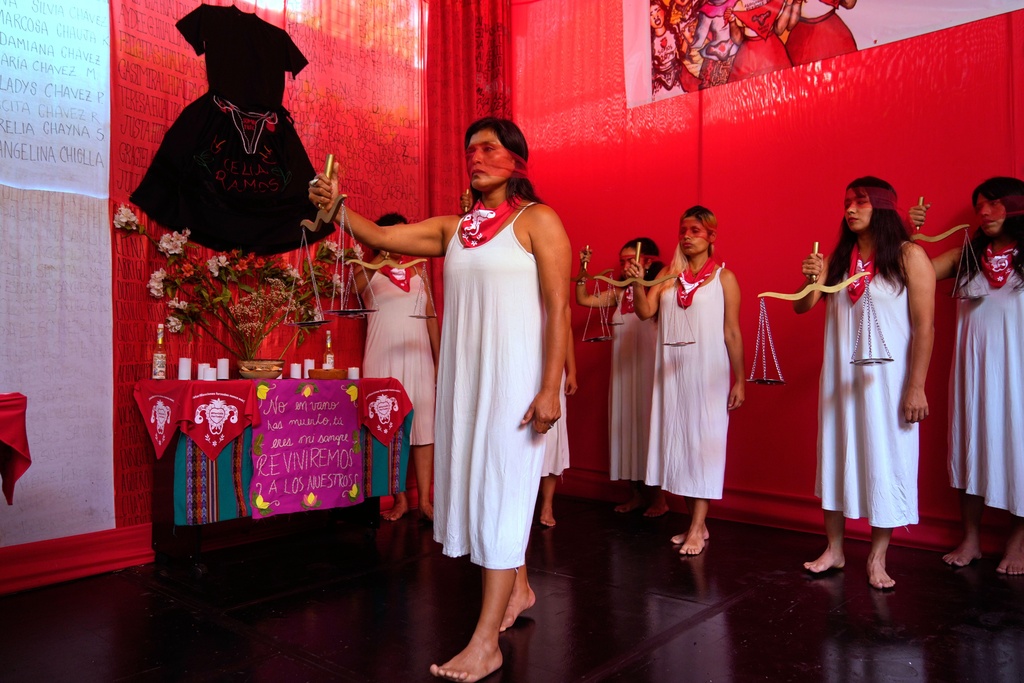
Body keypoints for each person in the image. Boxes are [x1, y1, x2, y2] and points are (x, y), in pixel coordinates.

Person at [310, 117, 570, 682]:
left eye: (488, 148)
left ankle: (485, 644)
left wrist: (550, 388)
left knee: (502, 490)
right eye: (470, 149)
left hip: (515, 384)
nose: (475, 157)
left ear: (516, 160)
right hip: (465, 383)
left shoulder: (539, 221)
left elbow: (559, 308)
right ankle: (520, 587)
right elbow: (382, 237)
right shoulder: (455, 229)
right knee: (483, 489)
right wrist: (338, 209)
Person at [796, 176, 934, 590]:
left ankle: (877, 556)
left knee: (885, 459)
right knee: (834, 455)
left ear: (883, 207)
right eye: (846, 203)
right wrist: (810, 279)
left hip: (887, 382)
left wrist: (916, 386)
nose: (850, 210)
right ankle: (835, 548)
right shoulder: (838, 259)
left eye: (860, 202)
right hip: (840, 381)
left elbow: (925, 326)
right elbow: (804, 306)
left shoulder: (909, 255)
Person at [625, 206, 745, 555]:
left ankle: (696, 528)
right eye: (683, 230)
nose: (687, 236)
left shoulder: (724, 278)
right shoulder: (668, 275)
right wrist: (637, 282)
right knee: (682, 445)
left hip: (708, 373)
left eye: (695, 231)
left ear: (711, 236)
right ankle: (698, 525)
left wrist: (740, 380)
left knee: (703, 446)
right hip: (672, 373)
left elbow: (732, 332)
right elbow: (645, 312)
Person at [923, 177, 1024, 575]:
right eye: (979, 205)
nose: (983, 212)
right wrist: (912, 233)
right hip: (973, 371)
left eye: (993, 204)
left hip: (1018, 370)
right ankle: (971, 538)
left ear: (1016, 206)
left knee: (1020, 448)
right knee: (970, 444)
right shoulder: (966, 255)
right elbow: (916, 273)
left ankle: (1017, 542)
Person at [356, 212, 440, 522]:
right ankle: (400, 498)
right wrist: (381, 255)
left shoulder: (419, 270)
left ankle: (426, 501)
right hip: (382, 359)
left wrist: (440, 360)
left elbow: (431, 317)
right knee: (388, 429)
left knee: (423, 428)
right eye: (395, 234)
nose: (401, 240)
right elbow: (356, 287)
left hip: (419, 358)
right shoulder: (365, 270)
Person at [575, 238, 668, 517]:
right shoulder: (619, 292)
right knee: (625, 427)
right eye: (622, 262)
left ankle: (659, 499)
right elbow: (584, 299)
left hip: (649, 372)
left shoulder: (657, 289)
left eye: (630, 261)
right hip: (624, 373)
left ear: (648, 262)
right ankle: (636, 495)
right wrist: (583, 270)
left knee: (649, 428)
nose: (625, 266)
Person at [537, 326, 577, 528]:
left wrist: (572, 371)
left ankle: (547, 505)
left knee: (553, 436)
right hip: (523, 363)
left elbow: (565, 329)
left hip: (552, 368)